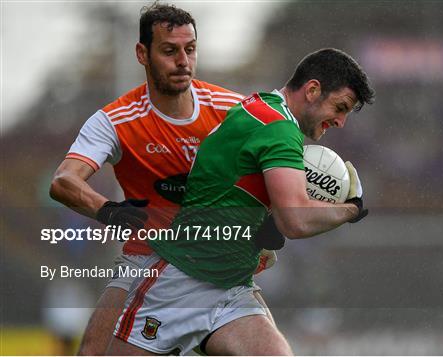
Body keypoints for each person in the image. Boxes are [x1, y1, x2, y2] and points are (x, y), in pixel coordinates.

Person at [107, 48, 375, 355]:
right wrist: (349, 209)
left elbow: (229, 186)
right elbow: (296, 220)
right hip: (179, 281)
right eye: (340, 107)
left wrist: (260, 223)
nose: (341, 121)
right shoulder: (278, 128)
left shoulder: (259, 107)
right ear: (313, 90)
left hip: (230, 287)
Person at [49, 3, 277, 355]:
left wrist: (270, 219)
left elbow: (273, 172)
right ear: (142, 53)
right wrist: (109, 210)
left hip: (222, 277)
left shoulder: (233, 111)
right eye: (169, 51)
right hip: (148, 265)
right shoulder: (115, 120)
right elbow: (64, 181)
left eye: (190, 50)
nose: (182, 61)